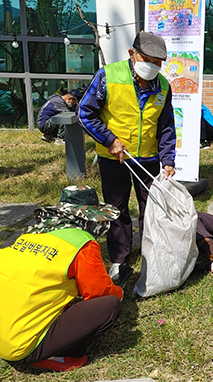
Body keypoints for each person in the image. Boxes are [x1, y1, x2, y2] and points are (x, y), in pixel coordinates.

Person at [0, 185, 124, 372]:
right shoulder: (82, 242)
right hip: (20, 345)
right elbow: (99, 292)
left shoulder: (32, 232)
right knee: (109, 305)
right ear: (89, 219)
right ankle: (53, 355)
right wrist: (119, 292)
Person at [77, 31, 176, 282]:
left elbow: (166, 127)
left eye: (157, 63)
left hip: (149, 159)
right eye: (147, 59)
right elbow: (85, 113)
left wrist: (168, 161)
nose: (152, 66)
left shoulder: (163, 86)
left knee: (151, 209)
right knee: (117, 208)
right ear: (132, 54)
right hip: (115, 160)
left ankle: (150, 253)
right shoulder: (107, 76)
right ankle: (120, 259)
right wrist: (110, 140)